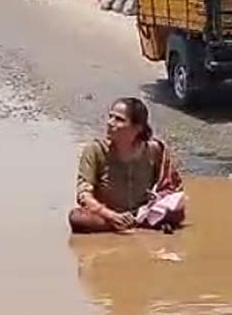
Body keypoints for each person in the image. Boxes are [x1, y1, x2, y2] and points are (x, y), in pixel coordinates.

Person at [69, 98, 185, 234]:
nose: (110, 123)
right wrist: (112, 216)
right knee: (77, 218)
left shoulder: (155, 150)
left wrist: (157, 206)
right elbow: (84, 195)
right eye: (110, 117)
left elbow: (172, 187)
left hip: (143, 213)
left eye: (119, 119)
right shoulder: (95, 150)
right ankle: (128, 224)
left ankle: (134, 222)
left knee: (177, 211)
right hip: (106, 214)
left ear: (137, 127)